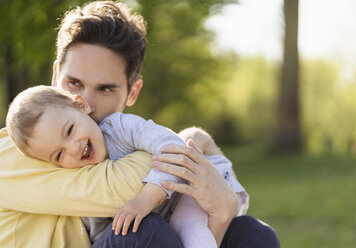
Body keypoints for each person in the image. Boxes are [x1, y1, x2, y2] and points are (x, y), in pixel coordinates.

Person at [0, 1, 280, 247]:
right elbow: (126, 185)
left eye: (106, 89)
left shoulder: (119, 133)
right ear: (55, 74)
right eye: (73, 83)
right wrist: (192, 143)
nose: (86, 103)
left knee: (253, 234)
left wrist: (220, 217)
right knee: (140, 230)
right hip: (132, 237)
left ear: (132, 93)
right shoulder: (17, 148)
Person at [6, 85, 248, 248]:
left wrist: (146, 198)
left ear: (81, 106)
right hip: (121, 237)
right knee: (140, 228)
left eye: (70, 130)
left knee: (252, 232)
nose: (73, 148)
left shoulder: (120, 127)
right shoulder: (55, 173)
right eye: (58, 154)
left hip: (170, 212)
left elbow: (171, 145)